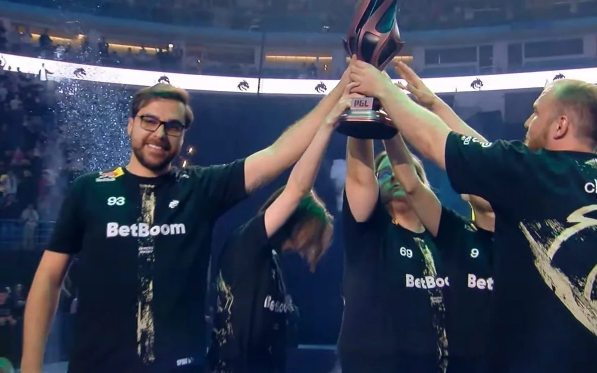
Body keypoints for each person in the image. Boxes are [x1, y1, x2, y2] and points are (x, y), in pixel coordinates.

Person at [348, 57, 597, 373]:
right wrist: (435, 104)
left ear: (560, 125)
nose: (528, 122)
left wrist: (383, 89)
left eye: (536, 113)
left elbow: (438, 142)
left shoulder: (535, 173)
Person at [22, 74, 351, 373]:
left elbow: (279, 153)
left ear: (182, 136)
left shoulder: (200, 188)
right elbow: (48, 279)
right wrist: (30, 366)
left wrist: (341, 90)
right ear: (130, 125)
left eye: (173, 126)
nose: (160, 133)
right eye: (150, 121)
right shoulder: (89, 190)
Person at [209, 89, 349, 373]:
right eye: (313, 232)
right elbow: (297, 189)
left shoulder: (274, 263)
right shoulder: (248, 243)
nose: (311, 244)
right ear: (298, 221)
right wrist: (328, 124)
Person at [388, 61, 495, 373]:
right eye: (474, 180)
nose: (482, 183)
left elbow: (490, 160)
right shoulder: (455, 233)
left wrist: (436, 104)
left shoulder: (526, 235)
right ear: (464, 194)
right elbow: (411, 184)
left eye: (488, 179)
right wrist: (389, 123)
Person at [338, 116, 448, 372]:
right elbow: (360, 176)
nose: (396, 177)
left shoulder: (446, 239)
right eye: (386, 173)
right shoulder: (368, 231)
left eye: (407, 171)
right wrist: (363, 108)